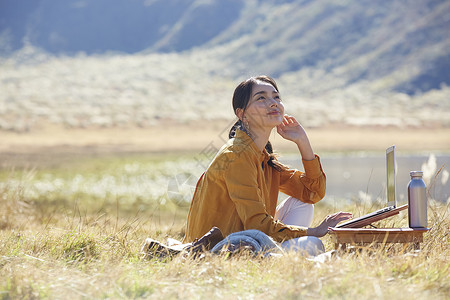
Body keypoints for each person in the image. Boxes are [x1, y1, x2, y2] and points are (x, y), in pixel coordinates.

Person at [182, 75, 352, 256]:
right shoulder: (236, 155)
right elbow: (257, 225)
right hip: (219, 249)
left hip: (251, 239)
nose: (272, 103)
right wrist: (314, 231)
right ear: (242, 115)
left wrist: (303, 141)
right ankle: (283, 257)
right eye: (261, 98)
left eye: (276, 97)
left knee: (302, 204)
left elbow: (312, 193)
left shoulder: (264, 158)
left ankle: (280, 256)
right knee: (312, 243)